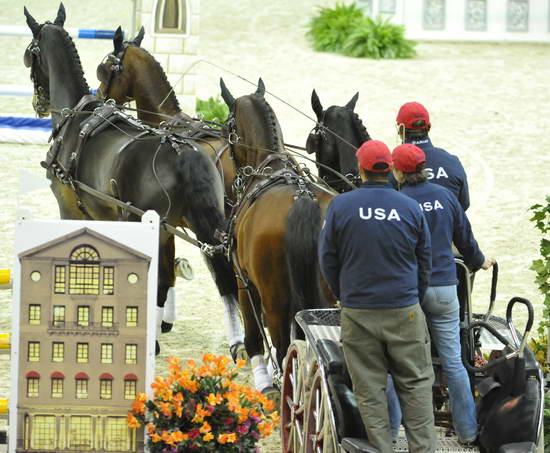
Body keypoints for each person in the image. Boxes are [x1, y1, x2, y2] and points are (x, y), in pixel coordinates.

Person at [318, 140, 436, 453]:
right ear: (390, 170)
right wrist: (414, 296)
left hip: (359, 310)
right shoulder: (410, 207)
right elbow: (425, 261)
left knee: (369, 390)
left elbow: (327, 258)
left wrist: (345, 295)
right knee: (416, 385)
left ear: (361, 169)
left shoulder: (341, 206)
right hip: (404, 308)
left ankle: (381, 449)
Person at [391, 143, 495, 444]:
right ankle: (466, 430)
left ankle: (398, 433)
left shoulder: (398, 202)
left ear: (397, 171)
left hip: (411, 292)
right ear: (424, 167)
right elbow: (466, 241)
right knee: (453, 361)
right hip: (446, 288)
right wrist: (480, 261)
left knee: (402, 364)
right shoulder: (446, 197)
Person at [396, 102, 470, 211]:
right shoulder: (452, 162)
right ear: (429, 126)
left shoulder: (395, 168)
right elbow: (463, 205)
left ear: (400, 130)